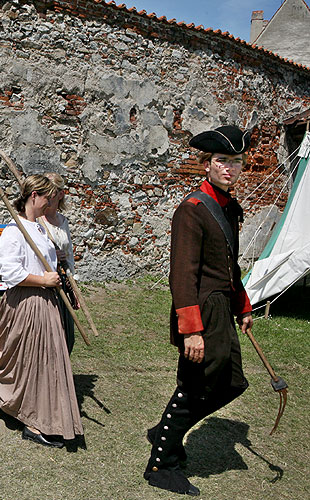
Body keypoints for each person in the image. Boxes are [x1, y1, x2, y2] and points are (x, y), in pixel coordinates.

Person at [144, 125, 254, 496]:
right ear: (206, 163)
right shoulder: (192, 210)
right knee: (195, 385)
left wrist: (243, 306)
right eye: (223, 161)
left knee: (231, 382)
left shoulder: (227, 205)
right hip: (201, 312)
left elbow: (230, 265)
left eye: (236, 162)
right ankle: (162, 462)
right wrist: (190, 329)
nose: (230, 169)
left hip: (222, 309)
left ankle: (164, 432)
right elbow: (183, 274)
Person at [0, 174, 83, 447]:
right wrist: (43, 280)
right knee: (31, 364)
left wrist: (58, 264)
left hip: (46, 302)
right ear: (33, 196)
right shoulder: (14, 231)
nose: (51, 202)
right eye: (48, 197)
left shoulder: (39, 228)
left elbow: (49, 260)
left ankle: (48, 418)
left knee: (48, 364)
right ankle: (32, 421)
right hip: (27, 303)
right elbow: (9, 272)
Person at [39, 172, 76, 354]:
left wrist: (73, 283)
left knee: (67, 335)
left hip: (61, 280)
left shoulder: (62, 221)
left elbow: (68, 254)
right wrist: (52, 254)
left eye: (51, 191)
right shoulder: (37, 221)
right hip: (43, 282)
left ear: (60, 194)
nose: (47, 196)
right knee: (46, 336)